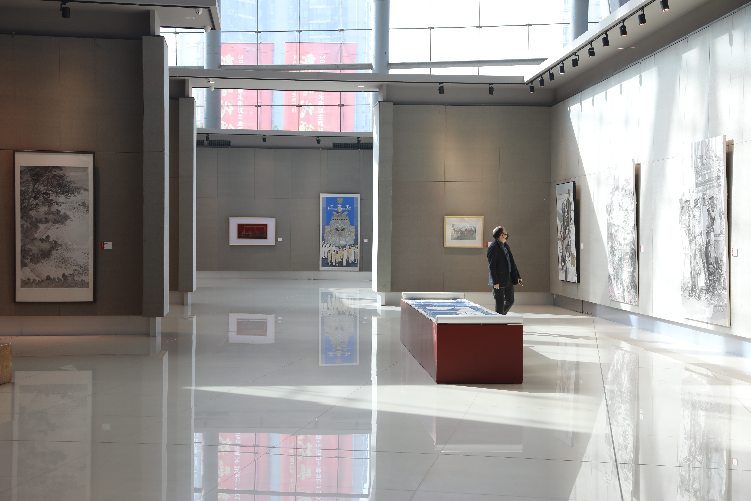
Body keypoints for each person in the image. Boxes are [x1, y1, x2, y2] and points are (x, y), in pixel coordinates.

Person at [487, 225, 523, 315]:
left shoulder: (505, 245)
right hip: (498, 279)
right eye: (505, 233)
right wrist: (495, 281)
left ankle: (500, 317)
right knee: (500, 303)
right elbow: (491, 266)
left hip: (508, 277)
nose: (507, 234)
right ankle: (499, 321)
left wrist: (517, 276)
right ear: (502, 235)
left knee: (510, 300)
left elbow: (511, 262)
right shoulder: (493, 247)